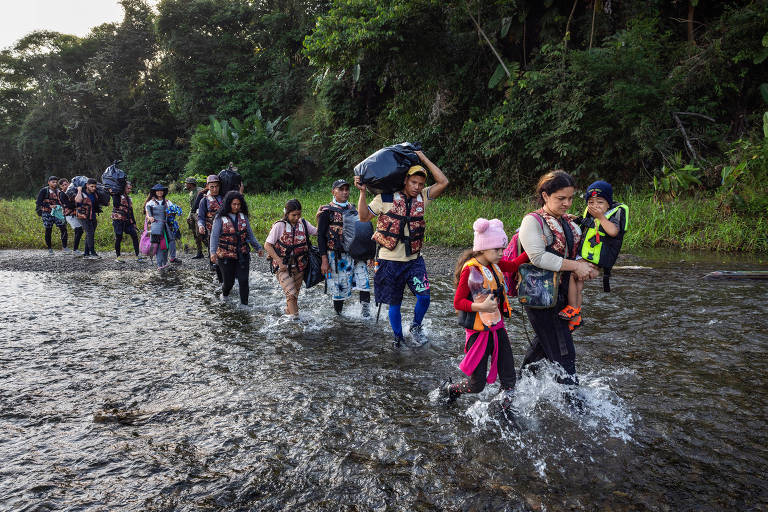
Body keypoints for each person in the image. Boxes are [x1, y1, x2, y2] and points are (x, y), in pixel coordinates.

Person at [355, 150, 449, 349]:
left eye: (421, 184)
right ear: (405, 180)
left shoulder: (423, 197)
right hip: (389, 260)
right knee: (394, 302)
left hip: (414, 260)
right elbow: (363, 217)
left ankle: (415, 326)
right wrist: (362, 193)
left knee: (424, 297)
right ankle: (398, 338)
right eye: (414, 182)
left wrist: (422, 158)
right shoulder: (385, 198)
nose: (417, 187)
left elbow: (443, 182)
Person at [439, 219, 529, 413]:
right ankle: (450, 389)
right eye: (497, 249)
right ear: (482, 248)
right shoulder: (471, 270)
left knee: (509, 379)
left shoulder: (494, 264)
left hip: (498, 329)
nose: (501, 253)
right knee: (476, 385)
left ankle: (501, 413)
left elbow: (513, 265)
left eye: (502, 249)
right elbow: (458, 302)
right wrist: (480, 306)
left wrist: (532, 249)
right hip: (478, 334)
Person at [517, 170, 598, 384]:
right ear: (545, 196)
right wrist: (576, 267)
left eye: (570, 198)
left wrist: (588, 267)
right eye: (561, 198)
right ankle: (576, 408)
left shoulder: (568, 223)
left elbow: (574, 252)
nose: (567, 203)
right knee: (564, 355)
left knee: (542, 348)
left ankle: (512, 391)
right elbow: (538, 257)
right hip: (540, 298)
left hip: (561, 295)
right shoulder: (532, 222)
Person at [558, 180, 628, 331]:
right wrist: (575, 219)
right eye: (591, 202)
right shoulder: (591, 216)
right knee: (578, 284)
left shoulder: (611, 217)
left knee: (571, 275)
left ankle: (572, 308)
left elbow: (613, 232)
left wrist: (602, 218)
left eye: (600, 202)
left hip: (594, 263)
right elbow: (585, 226)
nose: (595, 206)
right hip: (584, 259)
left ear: (608, 204)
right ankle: (576, 315)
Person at [317, 179, 372, 317]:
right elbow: (320, 237)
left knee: (364, 282)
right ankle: (339, 317)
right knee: (339, 289)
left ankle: (366, 315)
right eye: (341, 189)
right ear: (333, 192)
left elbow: (363, 231)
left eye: (347, 189)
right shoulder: (326, 212)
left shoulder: (354, 209)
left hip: (357, 253)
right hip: (336, 256)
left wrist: (369, 254)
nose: (345, 192)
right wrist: (324, 260)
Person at [264, 199, 318, 318]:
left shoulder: (303, 224)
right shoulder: (279, 226)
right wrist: (279, 261)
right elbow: (267, 245)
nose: (296, 217)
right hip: (283, 267)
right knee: (291, 295)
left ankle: (288, 316)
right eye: (294, 215)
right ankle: (296, 323)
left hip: (299, 267)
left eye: (299, 214)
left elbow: (317, 232)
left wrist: (319, 218)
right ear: (287, 213)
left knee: (294, 298)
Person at [209, 191, 264, 305]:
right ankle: (224, 295)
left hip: (242, 254)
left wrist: (258, 247)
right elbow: (214, 236)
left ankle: (245, 305)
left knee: (244, 281)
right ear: (228, 204)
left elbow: (250, 234)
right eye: (234, 204)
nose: (236, 207)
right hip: (225, 255)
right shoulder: (220, 218)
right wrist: (212, 252)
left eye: (238, 204)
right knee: (229, 283)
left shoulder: (243, 217)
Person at [144, 184, 180, 270]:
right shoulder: (150, 203)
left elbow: (172, 213)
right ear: (155, 192)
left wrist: (175, 212)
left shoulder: (168, 202)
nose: (159, 192)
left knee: (167, 244)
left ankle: (165, 262)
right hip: (156, 226)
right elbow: (147, 214)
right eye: (157, 191)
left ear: (163, 192)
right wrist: (150, 218)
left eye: (161, 190)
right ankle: (160, 264)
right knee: (159, 245)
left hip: (166, 226)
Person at [197, 175, 224, 279]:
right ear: (207, 186)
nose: (214, 189)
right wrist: (200, 226)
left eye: (216, 186)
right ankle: (214, 271)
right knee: (213, 250)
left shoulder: (225, 198)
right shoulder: (204, 200)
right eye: (212, 187)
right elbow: (201, 217)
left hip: (225, 229)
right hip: (211, 230)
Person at [111, 181, 144, 263]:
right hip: (118, 220)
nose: (129, 190)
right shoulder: (117, 196)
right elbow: (115, 204)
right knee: (119, 236)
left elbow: (130, 211)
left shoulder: (129, 199)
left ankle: (138, 255)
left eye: (130, 189)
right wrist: (116, 193)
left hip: (127, 220)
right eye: (128, 188)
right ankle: (118, 257)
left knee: (134, 235)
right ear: (123, 188)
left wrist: (134, 223)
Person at [35, 175, 68, 254]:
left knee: (63, 228)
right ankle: (50, 249)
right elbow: (38, 202)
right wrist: (49, 205)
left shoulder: (59, 191)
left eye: (56, 182)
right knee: (48, 230)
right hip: (47, 213)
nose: (55, 184)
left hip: (58, 213)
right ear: (48, 182)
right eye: (53, 182)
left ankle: (64, 247)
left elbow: (62, 201)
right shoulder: (44, 191)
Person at [75, 178, 102, 259]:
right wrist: (79, 190)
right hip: (82, 216)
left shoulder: (94, 194)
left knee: (89, 234)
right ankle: (93, 253)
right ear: (87, 185)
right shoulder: (82, 193)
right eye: (91, 186)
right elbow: (77, 200)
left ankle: (86, 254)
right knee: (90, 233)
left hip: (92, 216)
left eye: (94, 186)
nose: (93, 188)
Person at [58, 178, 83, 255]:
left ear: (69, 184)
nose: (65, 186)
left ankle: (76, 249)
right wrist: (78, 204)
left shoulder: (72, 191)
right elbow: (68, 205)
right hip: (69, 215)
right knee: (78, 230)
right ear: (61, 187)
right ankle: (75, 250)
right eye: (63, 185)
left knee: (80, 230)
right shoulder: (62, 194)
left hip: (76, 214)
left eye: (66, 184)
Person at [184, 177, 205, 259]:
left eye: (186, 183)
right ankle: (199, 252)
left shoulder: (200, 190)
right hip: (193, 214)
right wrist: (189, 216)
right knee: (195, 234)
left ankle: (211, 252)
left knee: (200, 233)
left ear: (190, 184)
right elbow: (192, 206)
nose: (185, 184)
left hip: (199, 214)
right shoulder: (191, 192)